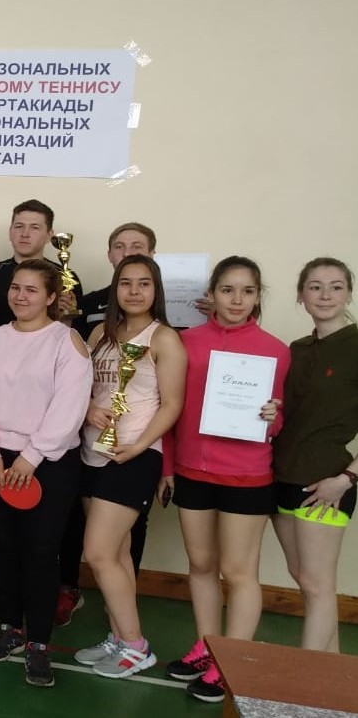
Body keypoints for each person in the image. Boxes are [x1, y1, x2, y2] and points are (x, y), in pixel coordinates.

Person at [161, 256, 290, 703]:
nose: (237, 300)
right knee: (200, 565)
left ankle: (231, 663)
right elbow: (171, 409)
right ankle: (207, 647)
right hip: (192, 471)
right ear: (211, 294)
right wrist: (167, 468)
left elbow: (278, 420)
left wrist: (273, 417)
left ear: (257, 297)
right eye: (228, 290)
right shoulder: (186, 343)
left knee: (238, 572)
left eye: (247, 291)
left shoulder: (276, 350)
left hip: (247, 475)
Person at [0, 259, 91, 687]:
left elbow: (69, 407)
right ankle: (9, 629)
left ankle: (38, 643)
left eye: (32, 290)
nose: (20, 296)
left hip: (48, 464)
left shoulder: (66, 342)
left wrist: (31, 457)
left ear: (51, 297)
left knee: (40, 551)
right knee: (4, 547)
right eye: (16, 288)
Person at [73, 255, 186, 678]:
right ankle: (119, 637)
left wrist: (139, 446)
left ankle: (137, 646)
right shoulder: (100, 333)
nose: (134, 291)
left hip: (134, 456)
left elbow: (172, 404)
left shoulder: (165, 338)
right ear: (115, 288)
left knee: (98, 552)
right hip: (92, 452)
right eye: (126, 283)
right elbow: (84, 387)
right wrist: (88, 410)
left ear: (156, 290)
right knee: (116, 554)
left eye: (144, 283)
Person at [271, 257, 358, 652]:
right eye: (316, 287)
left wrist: (347, 479)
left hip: (327, 482)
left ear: (348, 294)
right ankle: (334, 672)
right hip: (282, 476)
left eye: (336, 287)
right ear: (301, 295)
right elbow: (291, 412)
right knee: (306, 581)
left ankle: (305, 680)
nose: (325, 295)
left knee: (318, 585)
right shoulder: (298, 349)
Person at [0, 199, 83, 330]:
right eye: (19, 226)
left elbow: (77, 329)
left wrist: (65, 314)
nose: (25, 234)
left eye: (34, 227)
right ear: (10, 232)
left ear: (49, 235)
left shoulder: (66, 277)